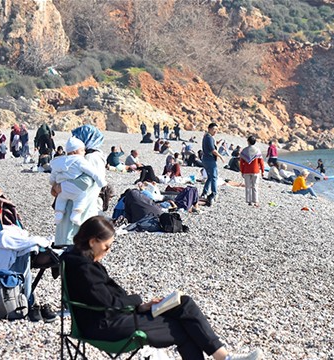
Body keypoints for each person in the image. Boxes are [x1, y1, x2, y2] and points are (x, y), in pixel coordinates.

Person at [62, 216, 264, 360]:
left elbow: (105, 299)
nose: (108, 251)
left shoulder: (81, 261)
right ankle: (225, 358)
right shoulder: (83, 268)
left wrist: (143, 307)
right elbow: (109, 302)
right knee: (183, 328)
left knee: (183, 304)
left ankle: (225, 357)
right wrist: (138, 301)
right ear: (92, 241)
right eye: (107, 247)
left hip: (114, 317)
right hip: (106, 326)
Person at [53, 125, 108, 246]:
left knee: (72, 245)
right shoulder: (93, 156)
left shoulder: (90, 158)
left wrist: (60, 187)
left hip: (79, 208)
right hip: (82, 206)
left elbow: (85, 182)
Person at [50, 137, 107, 225]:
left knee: (61, 199)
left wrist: (53, 183)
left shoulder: (61, 160)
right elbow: (92, 172)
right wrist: (102, 182)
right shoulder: (80, 160)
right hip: (74, 188)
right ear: (75, 152)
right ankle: (76, 215)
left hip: (61, 189)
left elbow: (53, 173)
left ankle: (58, 214)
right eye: (82, 150)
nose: (84, 152)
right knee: (80, 198)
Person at [201, 123, 224, 202]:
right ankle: (214, 193)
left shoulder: (207, 137)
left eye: (216, 130)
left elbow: (211, 147)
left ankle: (204, 192)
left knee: (210, 177)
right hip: (209, 159)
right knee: (214, 177)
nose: (215, 131)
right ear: (209, 129)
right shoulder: (209, 137)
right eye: (214, 129)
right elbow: (212, 150)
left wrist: (216, 144)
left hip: (205, 159)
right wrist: (221, 156)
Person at [239, 136, 264, 207]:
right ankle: (255, 201)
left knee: (248, 186)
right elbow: (261, 162)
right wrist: (262, 171)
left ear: (248, 141)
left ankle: (249, 201)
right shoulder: (257, 150)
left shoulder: (244, 151)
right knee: (255, 186)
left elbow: (241, 163)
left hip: (246, 171)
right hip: (255, 170)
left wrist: (242, 171)